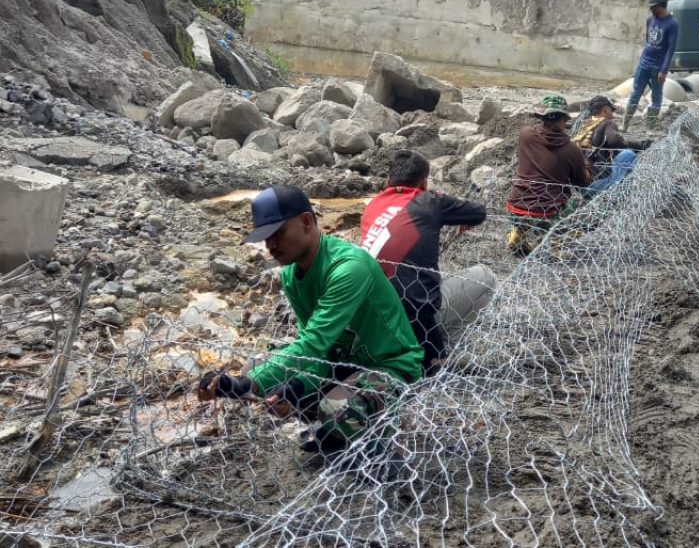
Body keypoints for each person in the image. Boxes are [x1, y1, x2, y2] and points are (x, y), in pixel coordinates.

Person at [196, 185, 423, 456]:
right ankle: (335, 425)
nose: (270, 246)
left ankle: (375, 440)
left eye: (277, 234)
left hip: (389, 366)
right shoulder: (292, 275)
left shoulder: (348, 269)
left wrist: (248, 386)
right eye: (265, 238)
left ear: (305, 222)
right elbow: (317, 349)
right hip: (341, 364)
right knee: (257, 368)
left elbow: (313, 344)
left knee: (335, 411)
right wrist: (294, 388)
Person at [360, 150, 493, 376]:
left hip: (370, 319)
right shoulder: (429, 201)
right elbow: (478, 213)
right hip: (411, 321)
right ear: (423, 181)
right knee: (485, 276)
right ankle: (442, 353)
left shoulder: (373, 206)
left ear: (388, 180)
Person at [505, 94, 590, 255]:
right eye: (566, 120)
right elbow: (582, 183)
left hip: (516, 204)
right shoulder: (572, 150)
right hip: (547, 211)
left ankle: (518, 231)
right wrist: (585, 166)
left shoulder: (525, 135)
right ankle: (555, 245)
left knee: (527, 211)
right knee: (576, 207)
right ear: (561, 120)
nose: (566, 124)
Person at [623, 0, 679, 130]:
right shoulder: (650, 20)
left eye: (653, 7)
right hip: (644, 63)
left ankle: (650, 127)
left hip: (658, 68)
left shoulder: (672, 24)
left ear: (660, 6)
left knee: (656, 97)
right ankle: (625, 124)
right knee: (635, 93)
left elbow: (670, 49)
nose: (651, 10)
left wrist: (664, 70)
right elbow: (649, 41)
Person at [574, 94, 652, 193]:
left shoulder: (585, 127)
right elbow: (615, 141)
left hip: (581, 186)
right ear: (605, 110)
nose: (613, 114)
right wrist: (640, 145)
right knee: (628, 154)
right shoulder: (607, 123)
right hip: (599, 183)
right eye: (611, 110)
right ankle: (616, 190)